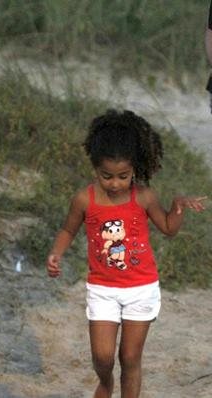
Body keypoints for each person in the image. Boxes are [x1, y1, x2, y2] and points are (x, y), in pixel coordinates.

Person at [46, 109, 207, 398]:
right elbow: (68, 230)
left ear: (135, 168)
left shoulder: (144, 196)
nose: (116, 183)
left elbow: (169, 227)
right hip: (102, 289)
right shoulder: (85, 199)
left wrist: (178, 207)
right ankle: (106, 382)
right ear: (95, 168)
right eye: (107, 176)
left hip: (141, 289)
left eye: (123, 176)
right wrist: (56, 253)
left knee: (130, 358)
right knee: (103, 357)